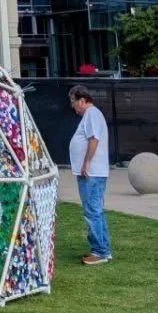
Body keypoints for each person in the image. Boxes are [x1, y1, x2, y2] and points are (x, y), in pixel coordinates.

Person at [68, 85, 111, 265]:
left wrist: (86, 163)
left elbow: (94, 139)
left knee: (92, 211)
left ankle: (100, 251)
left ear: (82, 100)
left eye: (73, 101)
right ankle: (101, 248)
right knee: (95, 210)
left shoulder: (92, 114)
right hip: (92, 172)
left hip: (91, 173)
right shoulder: (91, 115)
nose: (72, 106)